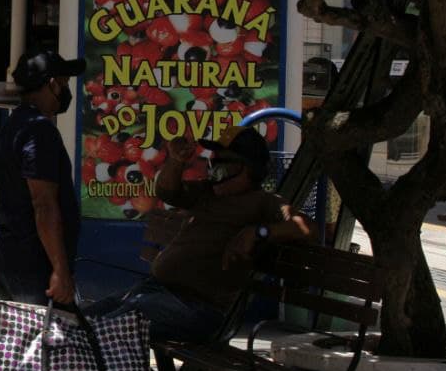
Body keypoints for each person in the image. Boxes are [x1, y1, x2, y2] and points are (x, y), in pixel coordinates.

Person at [0, 50, 115, 371]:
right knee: (53, 357)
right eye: (64, 81)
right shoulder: (40, 132)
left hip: (11, 257)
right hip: (35, 266)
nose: (68, 90)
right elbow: (44, 205)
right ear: (51, 85)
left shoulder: (13, 128)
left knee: (20, 354)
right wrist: (60, 269)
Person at [85, 126, 313, 343]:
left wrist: (258, 232)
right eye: (212, 164)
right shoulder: (207, 192)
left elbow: (304, 226)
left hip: (198, 308)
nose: (213, 172)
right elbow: (167, 192)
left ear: (247, 169)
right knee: (88, 317)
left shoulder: (263, 202)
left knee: (110, 326)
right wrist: (176, 161)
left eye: (222, 165)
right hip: (159, 291)